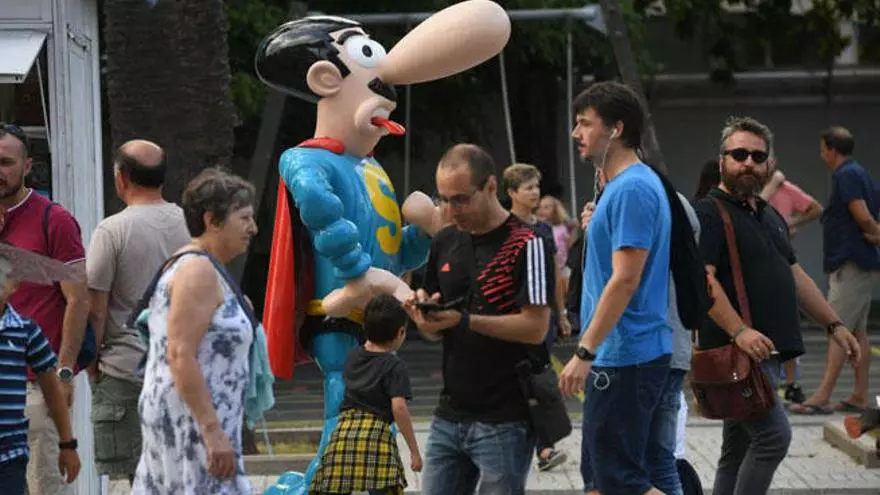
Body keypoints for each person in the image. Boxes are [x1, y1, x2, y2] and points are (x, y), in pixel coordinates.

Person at [694, 116, 861, 494]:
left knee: (736, 452)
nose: (749, 163)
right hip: (737, 356)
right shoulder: (710, 212)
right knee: (773, 438)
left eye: (758, 156)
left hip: (765, 354)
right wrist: (739, 330)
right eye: (739, 154)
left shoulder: (767, 213)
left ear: (769, 164)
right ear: (722, 160)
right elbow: (704, 280)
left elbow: (795, 274)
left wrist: (835, 325)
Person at [406, 143, 555, 494]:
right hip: (450, 412)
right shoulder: (445, 241)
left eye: (461, 199)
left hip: (506, 418)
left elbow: (536, 328)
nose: (450, 210)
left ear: (491, 187)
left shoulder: (528, 243)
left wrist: (463, 321)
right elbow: (438, 329)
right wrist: (426, 321)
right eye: (443, 199)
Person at [558, 81, 672, 495]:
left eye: (585, 123)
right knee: (601, 481)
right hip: (621, 355)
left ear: (616, 129)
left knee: (622, 482)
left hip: (625, 357)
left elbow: (625, 279)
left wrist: (584, 352)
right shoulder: (620, 187)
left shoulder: (632, 189)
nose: (576, 133)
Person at [132, 168, 258, 494]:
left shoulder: (203, 267)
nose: (253, 228)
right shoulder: (197, 270)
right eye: (244, 218)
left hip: (197, 417)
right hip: (194, 421)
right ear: (211, 220)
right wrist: (211, 429)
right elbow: (179, 353)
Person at [86, 140, 191, 483]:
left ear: (122, 177)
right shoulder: (190, 223)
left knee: (140, 479)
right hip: (184, 368)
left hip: (126, 369)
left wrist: (92, 365)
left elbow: (96, 310)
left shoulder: (112, 230)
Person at [0, 123, 89, 494]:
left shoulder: (54, 220)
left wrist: (64, 372)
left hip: (36, 385)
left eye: (5, 162)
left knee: (43, 486)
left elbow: (78, 299)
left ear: (27, 166)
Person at [793, 126, 880, 415]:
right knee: (856, 332)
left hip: (851, 263)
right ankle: (859, 394)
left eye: (823, 149)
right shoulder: (860, 173)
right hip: (861, 263)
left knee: (837, 327)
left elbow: (862, 215)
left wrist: (876, 232)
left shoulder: (847, 175)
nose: (821, 155)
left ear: (832, 149)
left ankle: (823, 395)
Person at [310, 293, 420, 495]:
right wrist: (414, 451)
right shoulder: (394, 366)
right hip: (376, 438)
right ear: (400, 332)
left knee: (333, 487)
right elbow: (399, 408)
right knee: (386, 488)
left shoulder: (352, 357)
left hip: (343, 435)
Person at [502, 163, 570, 471]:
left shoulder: (543, 230)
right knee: (516, 381)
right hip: (513, 316)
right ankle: (534, 446)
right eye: (528, 187)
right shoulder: (504, 227)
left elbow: (554, 273)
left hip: (543, 317)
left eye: (536, 187)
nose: (535, 192)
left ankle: (544, 447)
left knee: (539, 381)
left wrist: (562, 312)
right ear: (511, 192)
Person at [0, 275, 80, 493]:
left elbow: (52, 391)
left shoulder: (26, 331)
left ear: (13, 286)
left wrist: (67, 444)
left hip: (10, 456)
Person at [758, 168, 824, 404]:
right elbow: (753, 210)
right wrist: (772, 185)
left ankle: (791, 382)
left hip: (781, 259)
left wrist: (789, 223)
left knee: (786, 322)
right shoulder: (751, 191)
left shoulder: (785, 189)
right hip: (756, 261)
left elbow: (815, 208)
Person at [538, 194, 576, 266]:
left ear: (555, 210)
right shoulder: (538, 229)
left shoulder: (562, 229)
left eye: (546, 207)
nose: (542, 211)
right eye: (540, 207)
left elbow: (571, 248)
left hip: (563, 266)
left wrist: (573, 231)